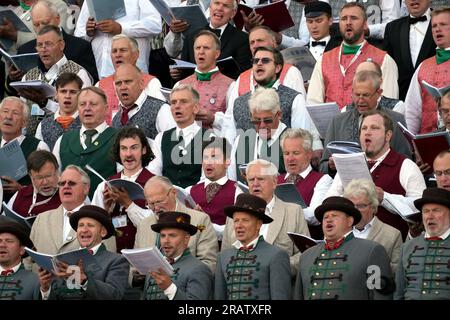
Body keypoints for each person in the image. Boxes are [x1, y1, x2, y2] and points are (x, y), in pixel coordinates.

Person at [326, 109, 426, 239]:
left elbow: (419, 208)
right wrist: (348, 198)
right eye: (364, 128)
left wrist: (384, 198)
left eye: (374, 128)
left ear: (388, 135)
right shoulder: (348, 163)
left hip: (388, 243)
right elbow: (328, 202)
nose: (367, 132)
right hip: (349, 242)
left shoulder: (406, 165)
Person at [294, 196, 394, 300]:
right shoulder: (307, 256)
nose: (329, 220)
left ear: (349, 221)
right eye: (325, 217)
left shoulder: (371, 251)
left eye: (334, 216)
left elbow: (381, 295)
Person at [222, 159, 310, 276]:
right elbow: (224, 256)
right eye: (251, 180)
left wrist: (274, 267)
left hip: (279, 282)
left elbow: (305, 255)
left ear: (274, 182)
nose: (255, 184)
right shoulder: (233, 217)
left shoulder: (293, 212)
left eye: (261, 179)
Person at [307, 2, 399, 109]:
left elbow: (388, 106)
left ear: (365, 24)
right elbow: (313, 103)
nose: (348, 22)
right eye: (344, 19)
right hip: (330, 125)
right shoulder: (324, 59)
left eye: (354, 18)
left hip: (366, 124)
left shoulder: (384, 60)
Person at [320, 70, 412, 175]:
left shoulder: (396, 120)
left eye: (366, 95)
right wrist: (330, 166)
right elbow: (323, 166)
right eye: (357, 95)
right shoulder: (338, 122)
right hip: (346, 187)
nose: (360, 100)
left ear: (379, 93)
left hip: (384, 186)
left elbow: (406, 161)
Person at [225, 47, 319, 149]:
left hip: (280, 163)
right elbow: (229, 140)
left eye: (265, 60)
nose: (259, 64)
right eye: (255, 61)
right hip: (243, 163)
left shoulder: (294, 98)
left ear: (277, 68)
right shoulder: (238, 102)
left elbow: (302, 140)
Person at [38, 205, 129, 300]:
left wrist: (84, 280)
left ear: (103, 232)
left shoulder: (117, 261)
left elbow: (114, 295)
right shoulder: (65, 258)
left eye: (90, 225)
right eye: (81, 225)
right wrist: (46, 289)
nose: (84, 230)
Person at [215, 193, 292, 300]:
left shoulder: (276, 255)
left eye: (245, 220)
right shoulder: (223, 257)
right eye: (236, 220)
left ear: (258, 224)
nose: (239, 225)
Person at [135, 176, 218, 272]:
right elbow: (135, 266)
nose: (156, 208)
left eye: (159, 201)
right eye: (151, 204)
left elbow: (209, 264)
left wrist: (176, 278)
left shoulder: (200, 221)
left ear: (174, 193)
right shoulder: (143, 225)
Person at [91, 127, 154, 252]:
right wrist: (105, 211)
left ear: (144, 150)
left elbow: (152, 227)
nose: (128, 154)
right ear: (118, 152)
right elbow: (93, 228)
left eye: (134, 148)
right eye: (123, 148)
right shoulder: (104, 186)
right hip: (112, 259)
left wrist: (128, 204)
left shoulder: (154, 184)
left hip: (143, 256)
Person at [30, 165, 116, 255]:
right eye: (62, 184)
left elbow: (108, 260)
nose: (66, 186)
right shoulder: (41, 219)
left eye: (72, 183)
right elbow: (28, 259)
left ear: (86, 189)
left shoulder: (101, 220)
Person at [53, 86, 117, 198]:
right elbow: (55, 179)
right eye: (82, 104)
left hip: (105, 209)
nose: (87, 108)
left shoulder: (118, 138)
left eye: (93, 104)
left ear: (106, 109)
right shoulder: (64, 140)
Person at [164, 0, 252, 80]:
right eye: (216, 3)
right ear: (210, 8)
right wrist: (179, 73)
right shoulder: (191, 36)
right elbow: (185, 71)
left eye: (225, 6)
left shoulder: (242, 39)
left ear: (233, 13)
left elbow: (244, 74)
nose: (219, 8)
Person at [147, 85, 214, 188]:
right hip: (166, 198)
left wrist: (184, 195)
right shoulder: (161, 138)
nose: (177, 106)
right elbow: (154, 172)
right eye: (173, 102)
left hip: (195, 200)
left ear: (195, 108)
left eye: (183, 101)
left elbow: (207, 179)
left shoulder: (210, 138)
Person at [16, 0, 98, 83]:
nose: (41, 28)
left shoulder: (80, 47)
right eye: (36, 24)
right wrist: (13, 77)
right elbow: (14, 90)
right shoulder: (24, 50)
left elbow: (91, 83)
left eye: (45, 23)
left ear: (57, 19)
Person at [74, 0, 162, 79]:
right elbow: (78, 34)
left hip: (132, 74)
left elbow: (154, 25)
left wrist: (121, 28)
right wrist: (89, 32)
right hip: (98, 68)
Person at [97, 34, 166, 125]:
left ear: (136, 54)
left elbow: (159, 116)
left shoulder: (151, 83)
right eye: (114, 51)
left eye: (123, 50)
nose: (118, 55)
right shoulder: (100, 86)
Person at [143, 211, 213, 300]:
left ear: (186, 238)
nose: (166, 240)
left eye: (172, 235)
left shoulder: (199, 269)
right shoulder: (154, 266)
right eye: (163, 236)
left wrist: (169, 288)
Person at [395, 187, 450, 300]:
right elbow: (399, 292)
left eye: (436, 210)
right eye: (426, 211)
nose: (430, 216)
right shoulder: (407, 247)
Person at [278, 128, 333, 239]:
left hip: (305, 246)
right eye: (286, 153)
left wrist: (278, 211)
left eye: (296, 153)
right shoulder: (275, 180)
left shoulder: (323, 180)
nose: (290, 158)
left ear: (309, 154)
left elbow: (314, 216)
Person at [175, 30, 234, 130]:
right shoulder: (180, 85)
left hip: (216, 142)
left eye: (206, 48)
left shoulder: (231, 85)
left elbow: (235, 121)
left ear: (217, 54)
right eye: (198, 48)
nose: (201, 52)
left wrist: (214, 119)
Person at [404, 7, 450, 134]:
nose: (437, 29)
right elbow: (412, 111)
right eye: (434, 26)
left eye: (443, 24)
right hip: (429, 144)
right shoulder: (423, 66)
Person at [229, 25, 306, 98]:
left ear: (274, 43)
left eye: (260, 40)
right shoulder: (242, 78)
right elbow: (231, 111)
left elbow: (299, 107)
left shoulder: (291, 72)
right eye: (252, 42)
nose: (255, 45)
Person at [343, 179, 403, 273]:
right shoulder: (340, 232)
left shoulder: (392, 235)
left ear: (373, 207)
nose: (355, 210)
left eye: (361, 206)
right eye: (352, 206)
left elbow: (395, 273)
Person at [187, 137, 240, 242]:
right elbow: (179, 220)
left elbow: (233, 232)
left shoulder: (237, 192)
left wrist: (203, 222)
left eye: (214, 157)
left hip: (222, 251)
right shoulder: (190, 191)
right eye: (205, 158)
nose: (209, 162)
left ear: (227, 161)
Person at [384, 0, 436, 101]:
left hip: (436, 103)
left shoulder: (444, 24)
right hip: (401, 103)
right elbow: (389, 71)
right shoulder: (392, 28)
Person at [0, 97, 49, 202]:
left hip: (22, 210)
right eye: (5, 111)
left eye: (15, 113)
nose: (8, 117)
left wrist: (22, 189)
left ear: (24, 122)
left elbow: (48, 185)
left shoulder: (38, 147)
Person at [111, 63, 175, 140]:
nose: (123, 87)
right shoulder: (116, 119)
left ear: (141, 84)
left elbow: (174, 144)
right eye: (118, 83)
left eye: (128, 82)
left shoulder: (161, 110)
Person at [34, 73, 82, 150]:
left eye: (72, 92)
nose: (67, 96)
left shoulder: (87, 122)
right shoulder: (43, 125)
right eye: (63, 91)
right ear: (56, 94)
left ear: (80, 95)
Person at [8, 150, 60, 217]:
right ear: (31, 176)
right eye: (39, 178)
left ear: (57, 172)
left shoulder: (66, 196)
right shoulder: (20, 194)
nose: (45, 182)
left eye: (48, 176)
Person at [0, 219, 40, 300]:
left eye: (9, 241)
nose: (2, 245)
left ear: (22, 250)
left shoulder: (35, 281)